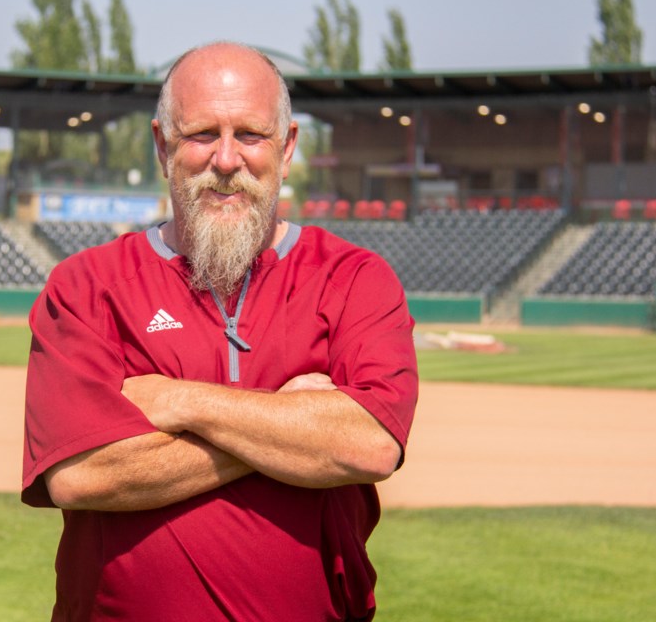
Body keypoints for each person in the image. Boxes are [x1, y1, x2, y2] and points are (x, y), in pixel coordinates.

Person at [22, 41, 418, 622]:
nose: (227, 160)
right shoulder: (86, 286)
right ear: (162, 146)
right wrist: (295, 428)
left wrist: (180, 400)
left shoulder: (356, 279)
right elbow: (82, 474)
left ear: (286, 149)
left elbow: (370, 444)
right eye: (202, 134)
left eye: (251, 135)